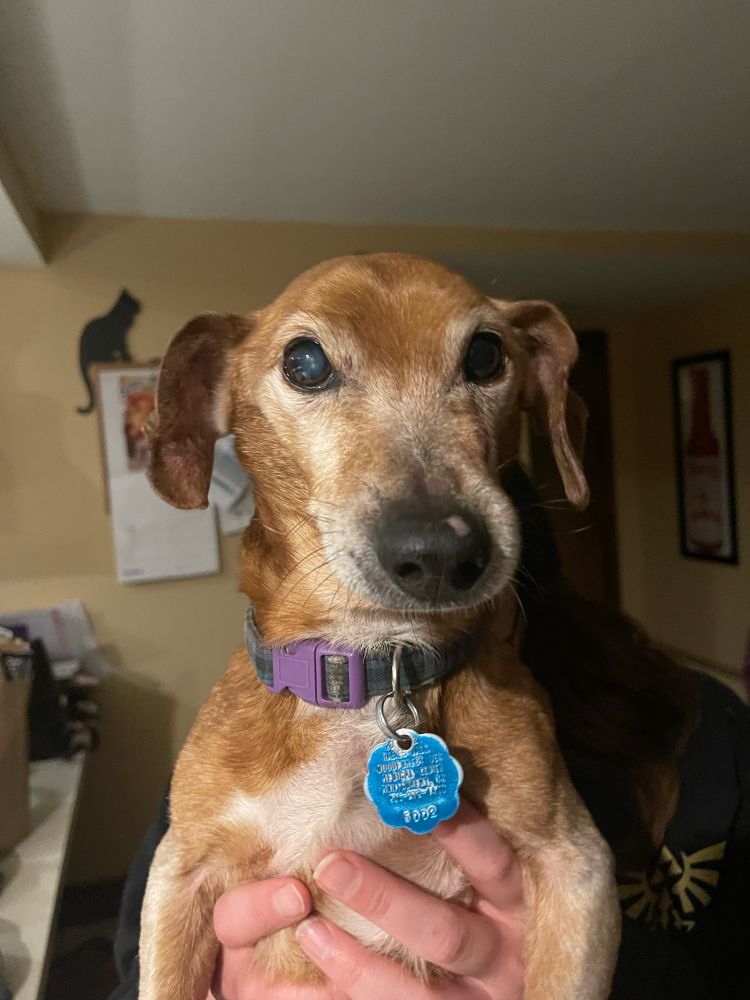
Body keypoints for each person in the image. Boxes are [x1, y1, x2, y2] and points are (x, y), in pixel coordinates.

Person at [110, 466, 750, 999]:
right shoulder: (227, 754)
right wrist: (221, 982)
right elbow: (137, 963)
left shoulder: (707, 742)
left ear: (496, 598)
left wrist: (576, 965)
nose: (358, 695)